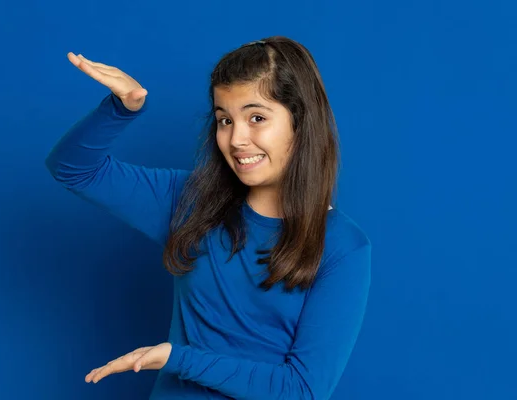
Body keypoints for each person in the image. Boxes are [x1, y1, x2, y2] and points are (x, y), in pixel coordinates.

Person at [45, 36, 371, 400]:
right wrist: (123, 108)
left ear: (300, 121)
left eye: (257, 117)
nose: (236, 139)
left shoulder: (343, 247)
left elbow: (302, 390)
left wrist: (180, 359)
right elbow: (72, 168)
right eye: (224, 120)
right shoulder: (190, 200)